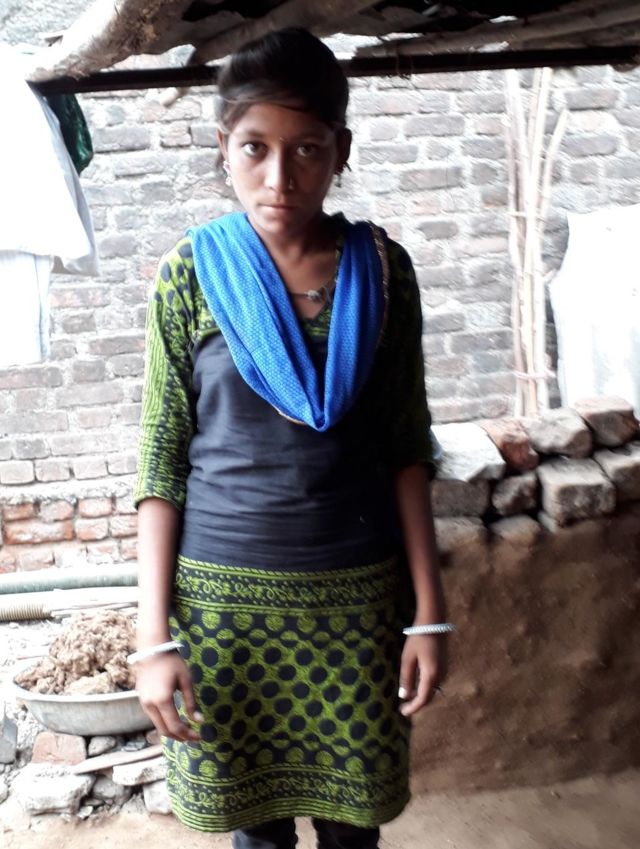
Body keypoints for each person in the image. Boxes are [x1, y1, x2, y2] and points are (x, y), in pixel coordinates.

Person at [133, 26, 449, 849]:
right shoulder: (190, 274)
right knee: (259, 836)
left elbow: (407, 445)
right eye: (255, 148)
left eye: (307, 148)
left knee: (353, 831)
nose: (280, 178)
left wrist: (429, 614)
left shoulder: (382, 271)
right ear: (224, 148)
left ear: (341, 150)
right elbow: (161, 461)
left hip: (358, 609)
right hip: (223, 616)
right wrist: (152, 635)